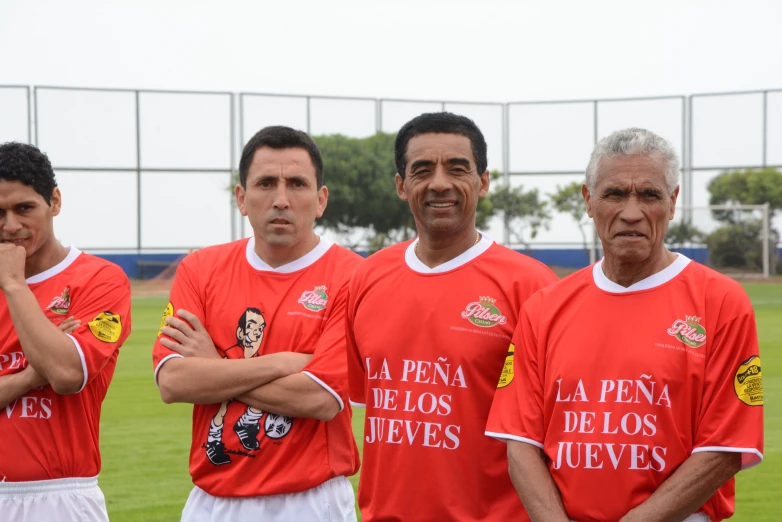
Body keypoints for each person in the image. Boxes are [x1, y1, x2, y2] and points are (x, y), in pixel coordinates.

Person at [486, 128, 764, 522]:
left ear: (672, 202)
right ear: (588, 200)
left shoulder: (720, 302)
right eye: (614, 194)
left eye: (649, 195)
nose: (631, 211)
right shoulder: (544, 308)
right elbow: (520, 442)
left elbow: (725, 448)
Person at [345, 112, 558, 521]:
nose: (439, 182)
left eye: (457, 168)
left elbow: (551, 433)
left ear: (483, 182)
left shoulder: (532, 286)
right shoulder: (367, 277)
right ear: (400, 186)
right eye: (422, 170)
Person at [152, 126, 362, 521]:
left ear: (320, 200)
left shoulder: (353, 277)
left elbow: (319, 399)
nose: (281, 199)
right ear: (242, 198)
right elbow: (174, 382)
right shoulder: (200, 269)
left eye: (297, 184)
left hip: (313, 502)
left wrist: (214, 365)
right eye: (266, 183)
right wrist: (288, 362)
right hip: (213, 502)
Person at [0, 142, 132, 521]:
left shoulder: (100, 280)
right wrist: (29, 376)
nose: (10, 226)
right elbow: (49, 366)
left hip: (59, 499)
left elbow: (66, 374)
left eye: (24, 208)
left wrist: (14, 284)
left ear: (54, 202)